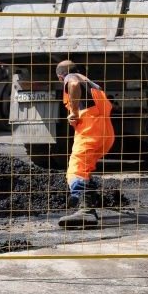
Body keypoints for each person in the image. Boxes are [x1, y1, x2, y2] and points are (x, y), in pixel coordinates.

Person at [54, 60, 116, 228]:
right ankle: (88, 203)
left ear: (61, 77)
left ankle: (85, 210)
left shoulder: (71, 78)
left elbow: (73, 84)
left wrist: (74, 112)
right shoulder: (93, 84)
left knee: (76, 168)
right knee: (85, 168)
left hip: (90, 131)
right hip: (106, 133)